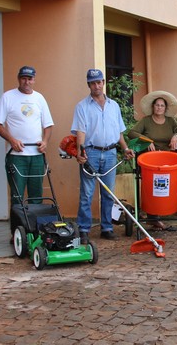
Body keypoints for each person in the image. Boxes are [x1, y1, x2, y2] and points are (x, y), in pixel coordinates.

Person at [71, 69, 134, 244]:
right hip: (90, 152)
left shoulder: (114, 106)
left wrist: (126, 148)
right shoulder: (82, 106)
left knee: (108, 193)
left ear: (103, 83)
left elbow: (119, 132)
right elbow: (80, 131)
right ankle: (83, 229)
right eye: (93, 83)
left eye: (99, 82)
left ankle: (107, 227)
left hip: (111, 153)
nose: (96, 85)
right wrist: (80, 151)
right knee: (87, 193)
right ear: (88, 85)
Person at [0, 66, 54, 231]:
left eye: (30, 78)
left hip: (36, 155)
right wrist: (12, 140)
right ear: (18, 78)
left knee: (37, 195)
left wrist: (45, 141)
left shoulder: (39, 98)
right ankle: (17, 233)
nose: (26, 81)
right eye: (23, 78)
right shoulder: (8, 97)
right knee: (17, 196)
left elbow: (48, 125)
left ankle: (36, 231)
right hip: (16, 155)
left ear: (34, 79)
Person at [128, 90, 177, 231]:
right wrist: (146, 140)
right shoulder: (146, 120)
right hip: (149, 160)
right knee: (153, 188)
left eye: (162, 105)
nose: (159, 108)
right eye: (157, 105)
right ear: (153, 107)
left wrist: (176, 136)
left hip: (167, 159)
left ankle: (163, 211)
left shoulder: (170, 121)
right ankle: (153, 217)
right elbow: (131, 132)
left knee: (166, 187)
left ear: (165, 108)